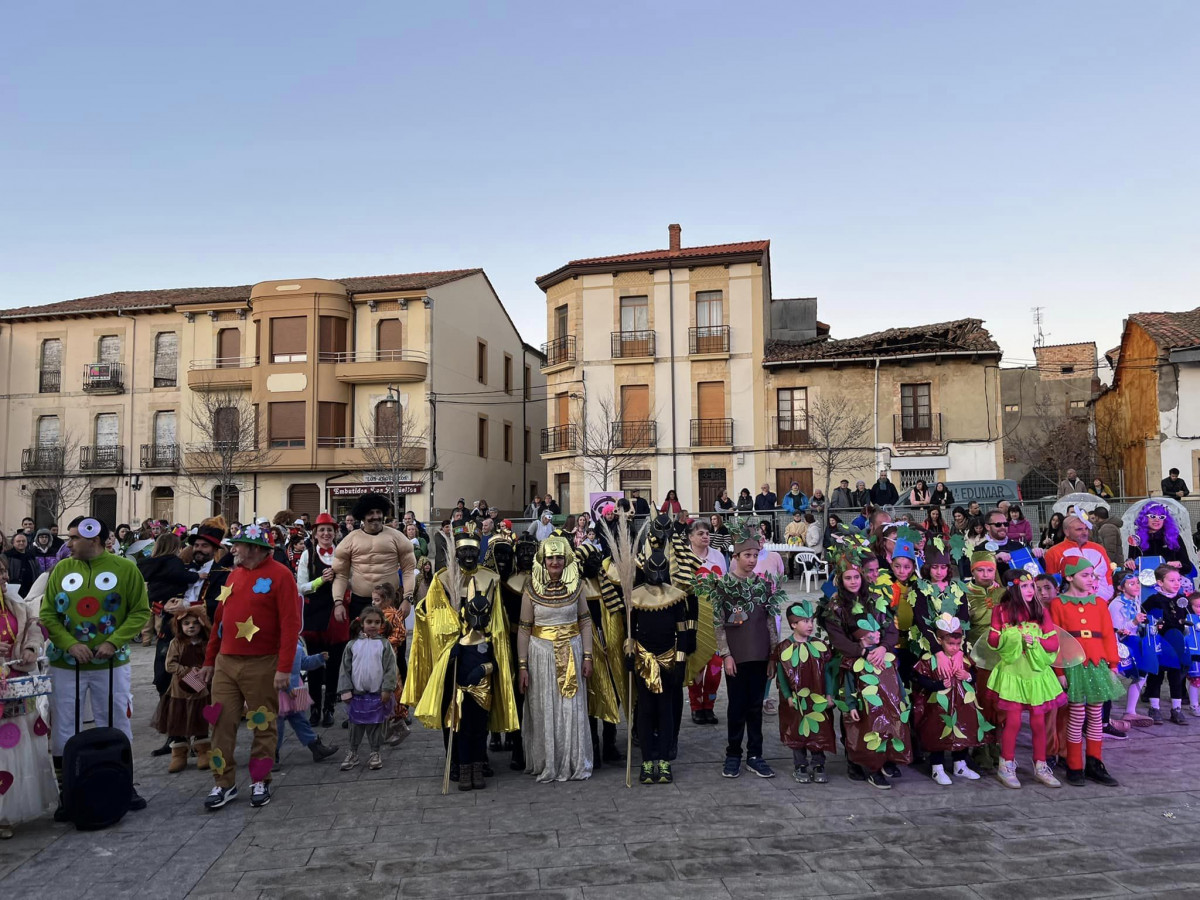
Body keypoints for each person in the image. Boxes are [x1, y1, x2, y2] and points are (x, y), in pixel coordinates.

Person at [39, 516, 151, 815]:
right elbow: (48, 614)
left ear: (94, 538)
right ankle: (68, 790)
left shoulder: (126, 569)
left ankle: (124, 783)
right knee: (64, 725)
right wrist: (69, 644)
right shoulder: (61, 569)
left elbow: (140, 611)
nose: (69, 543)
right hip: (65, 665)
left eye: (74, 537)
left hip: (111, 663)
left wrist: (113, 642)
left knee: (116, 720)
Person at [199, 522, 301, 810]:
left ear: (255, 548)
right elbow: (219, 621)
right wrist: (209, 660)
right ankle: (223, 783)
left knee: (262, 724)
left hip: (262, 663)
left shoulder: (281, 576)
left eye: (238, 545)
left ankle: (260, 779)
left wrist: (284, 668)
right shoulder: (233, 576)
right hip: (225, 664)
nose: (234, 549)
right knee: (220, 722)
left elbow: (291, 624)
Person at [704, 520, 783, 780]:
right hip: (737, 657)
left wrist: (773, 655)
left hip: (760, 655)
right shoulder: (723, 586)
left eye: (754, 555)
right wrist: (725, 654)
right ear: (735, 556)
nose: (751, 560)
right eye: (746, 555)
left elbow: (771, 621)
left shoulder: (764, 585)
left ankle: (755, 755)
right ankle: (733, 754)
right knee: (736, 707)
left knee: (755, 706)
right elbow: (719, 624)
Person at [822, 561, 910, 789]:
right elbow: (837, 638)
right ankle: (855, 758)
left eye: (856, 577)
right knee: (855, 712)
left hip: (879, 661)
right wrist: (861, 651)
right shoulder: (835, 605)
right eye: (848, 578)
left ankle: (885, 755)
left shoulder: (874, 600)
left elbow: (891, 630)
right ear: (840, 580)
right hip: (851, 663)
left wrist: (883, 648)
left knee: (884, 708)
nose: (853, 582)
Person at [517, 533, 593, 782]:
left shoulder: (577, 585)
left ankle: (572, 760)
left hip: (572, 650)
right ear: (543, 559)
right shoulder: (530, 587)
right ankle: (548, 760)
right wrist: (523, 666)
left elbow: (585, 622)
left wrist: (588, 657)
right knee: (544, 707)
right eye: (550, 557)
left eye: (560, 557)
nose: (555, 562)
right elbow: (524, 628)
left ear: (567, 558)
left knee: (570, 708)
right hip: (541, 656)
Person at [984, 572, 1066, 789]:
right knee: (1013, 721)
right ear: (1013, 588)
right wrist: (1013, 636)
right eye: (1026, 586)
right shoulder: (1000, 611)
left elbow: (1053, 644)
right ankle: (1006, 764)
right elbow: (993, 641)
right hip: (1013, 672)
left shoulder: (1040, 611)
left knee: (1039, 722)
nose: (1032, 590)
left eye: (1033, 586)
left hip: (1036, 672)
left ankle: (1040, 765)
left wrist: (1036, 640)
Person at [1050, 559, 1122, 787]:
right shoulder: (1059, 604)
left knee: (1096, 715)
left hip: (1097, 664)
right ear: (1069, 577)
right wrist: (1060, 670)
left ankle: (1094, 762)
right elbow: (1057, 639)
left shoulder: (1099, 604)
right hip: (1073, 666)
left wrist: (1113, 665)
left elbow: (1109, 635)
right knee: (1077, 715)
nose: (1092, 579)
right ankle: (1074, 764)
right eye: (1086, 575)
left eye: (1092, 575)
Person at [0, 556, 58, 839]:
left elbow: (34, 629)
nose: (1, 578)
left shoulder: (17, 606)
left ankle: (8, 810)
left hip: (17, 685)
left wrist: (32, 648)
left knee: (14, 748)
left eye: (2, 572)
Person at [622, 548, 688, 784]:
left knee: (666, 709)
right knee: (646, 709)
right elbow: (628, 631)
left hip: (669, 659)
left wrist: (680, 663)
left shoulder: (676, 597)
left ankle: (664, 760)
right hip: (643, 660)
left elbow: (683, 634)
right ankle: (647, 760)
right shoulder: (634, 597)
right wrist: (629, 653)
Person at [910, 613, 986, 785]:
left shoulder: (964, 659)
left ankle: (960, 764)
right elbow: (920, 679)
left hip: (962, 706)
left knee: (961, 730)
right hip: (937, 708)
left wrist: (967, 676)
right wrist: (937, 685)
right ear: (939, 640)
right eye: (950, 644)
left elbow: (974, 676)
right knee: (938, 733)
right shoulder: (929, 660)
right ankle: (937, 766)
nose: (954, 647)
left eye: (958, 644)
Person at [773, 599, 836, 784]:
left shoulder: (819, 646)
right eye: (805, 621)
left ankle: (818, 763)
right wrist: (787, 696)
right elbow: (782, 676)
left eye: (811, 621)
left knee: (819, 729)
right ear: (793, 624)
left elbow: (827, 673)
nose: (810, 625)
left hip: (817, 698)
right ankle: (800, 764)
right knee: (797, 729)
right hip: (796, 700)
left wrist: (830, 694)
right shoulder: (784, 648)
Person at [331, 494, 416, 623]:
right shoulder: (350, 540)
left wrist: (407, 599)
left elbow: (409, 570)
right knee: (361, 642)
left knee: (393, 642)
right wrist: (338, 602)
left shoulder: (397, 537)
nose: (375, 516)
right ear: (362, 516)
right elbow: (341, 575)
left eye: (378, 512)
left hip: (391, 602)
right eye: (370, 513)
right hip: (360, 603)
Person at [151, 604, 213, 773]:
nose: (191, 626)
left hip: (200, 689)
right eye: (186, 623)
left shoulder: (205, 643)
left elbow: (211, 660)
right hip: (179, 690)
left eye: (195, 623)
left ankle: (203, 751)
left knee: (200, 720)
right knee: (178, 720)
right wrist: (185, 671)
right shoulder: (176, 643)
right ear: (179, 626)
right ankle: (179, 754)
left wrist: (202, 671)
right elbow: (169, 664)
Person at [337, 606, 397, 771]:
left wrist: (387, 689)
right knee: (355, 726)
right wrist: (345, 690)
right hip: (356, 695)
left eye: (377, 622)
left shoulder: (384, 645)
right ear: (361, 623)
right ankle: (353, 752)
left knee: (375, 725)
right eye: (369, 621)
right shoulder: (352, 645)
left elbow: (391, 669)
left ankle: (375, 752)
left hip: (377, 694)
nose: (373, 625)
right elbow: (345, 670)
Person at [275, 634, 339, 764]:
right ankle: (271, 755)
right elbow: (272, 668)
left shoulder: (296, 640)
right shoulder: (273, 640)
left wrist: (318, 658)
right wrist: (287, 687)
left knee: (301, 720)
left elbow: (303, 663)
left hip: (296, 688)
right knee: (276, 726)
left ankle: (316, 747)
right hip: (279, 690)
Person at [686, 520, 727, 725]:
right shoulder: (684, 559)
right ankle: (695, 705)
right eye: (700, 533)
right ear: (690, 537)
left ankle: (709, 706)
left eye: (707, 533)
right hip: (693, 621)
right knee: (696, 666)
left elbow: (725, 586)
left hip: (716, 622)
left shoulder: (718, 556)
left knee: (714, 669)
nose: (705, 536)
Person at [1143, 565, 1189, 725]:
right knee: (1157, 676)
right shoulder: (1153, 600)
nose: (1177, 583)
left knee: (1176, 676)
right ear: (1160, 582)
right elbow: (1145, 619)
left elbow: (1188, 619)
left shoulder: (1182, 600)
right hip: (1160, 645)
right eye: (1172, 580)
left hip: (1177, 644)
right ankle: (1154, 707)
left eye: (1178, 580)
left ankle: (1176, 709)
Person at [1044, 515, 1116, 600]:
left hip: (1101, 603)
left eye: (1086, 528)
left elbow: (1107, 575)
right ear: (1066, 531)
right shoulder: (1053, 553)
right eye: (1079, 529)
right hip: (1069, 605)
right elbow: (1051, 584)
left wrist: (1109, 594)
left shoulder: (1099, 548)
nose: (1085, 532)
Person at [3, 533, 37, 598]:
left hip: (30, 590)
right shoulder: (7, 556)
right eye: (18, 541)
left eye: (23, 541)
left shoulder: (31, 556)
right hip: (13, 590)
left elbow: (37, 571)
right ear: (13, 543)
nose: (21, 543)